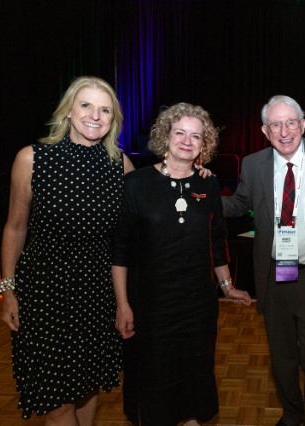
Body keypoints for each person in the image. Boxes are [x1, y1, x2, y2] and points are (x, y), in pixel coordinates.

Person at [0, 76, 135, 423]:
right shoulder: (32, 159)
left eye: (105, 110)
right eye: (86, 105)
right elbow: (15, 228)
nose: (95, 116)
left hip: (97, 293)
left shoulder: (121, 166)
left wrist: (196, 172)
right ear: (68, 111)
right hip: (44, 294)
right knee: (56, 400)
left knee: (87, 386)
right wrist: (8, 290)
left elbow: (142, 219)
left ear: (113, 119)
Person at [112, 102, 252, 426]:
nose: (187, 141)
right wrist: (122, 304)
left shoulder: (208, 183)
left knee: (194, 385)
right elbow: (120, 250)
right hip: (151, 308)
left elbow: (216, 240)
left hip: (197, 308)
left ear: (205, 144)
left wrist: (227, 286)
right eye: (180, 133)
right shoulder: (136, 183)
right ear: (166, 135)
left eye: (196, 136)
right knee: (154, 387)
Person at [222, 95, 305, 426]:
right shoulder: (253, 165)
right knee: (282, 356)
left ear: (303, 125)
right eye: (275, 125)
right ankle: (291, 415)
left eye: (291, 122)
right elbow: (238, 205)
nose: (284, 131)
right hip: (276, 276)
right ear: (265, 131)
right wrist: (198, 191)